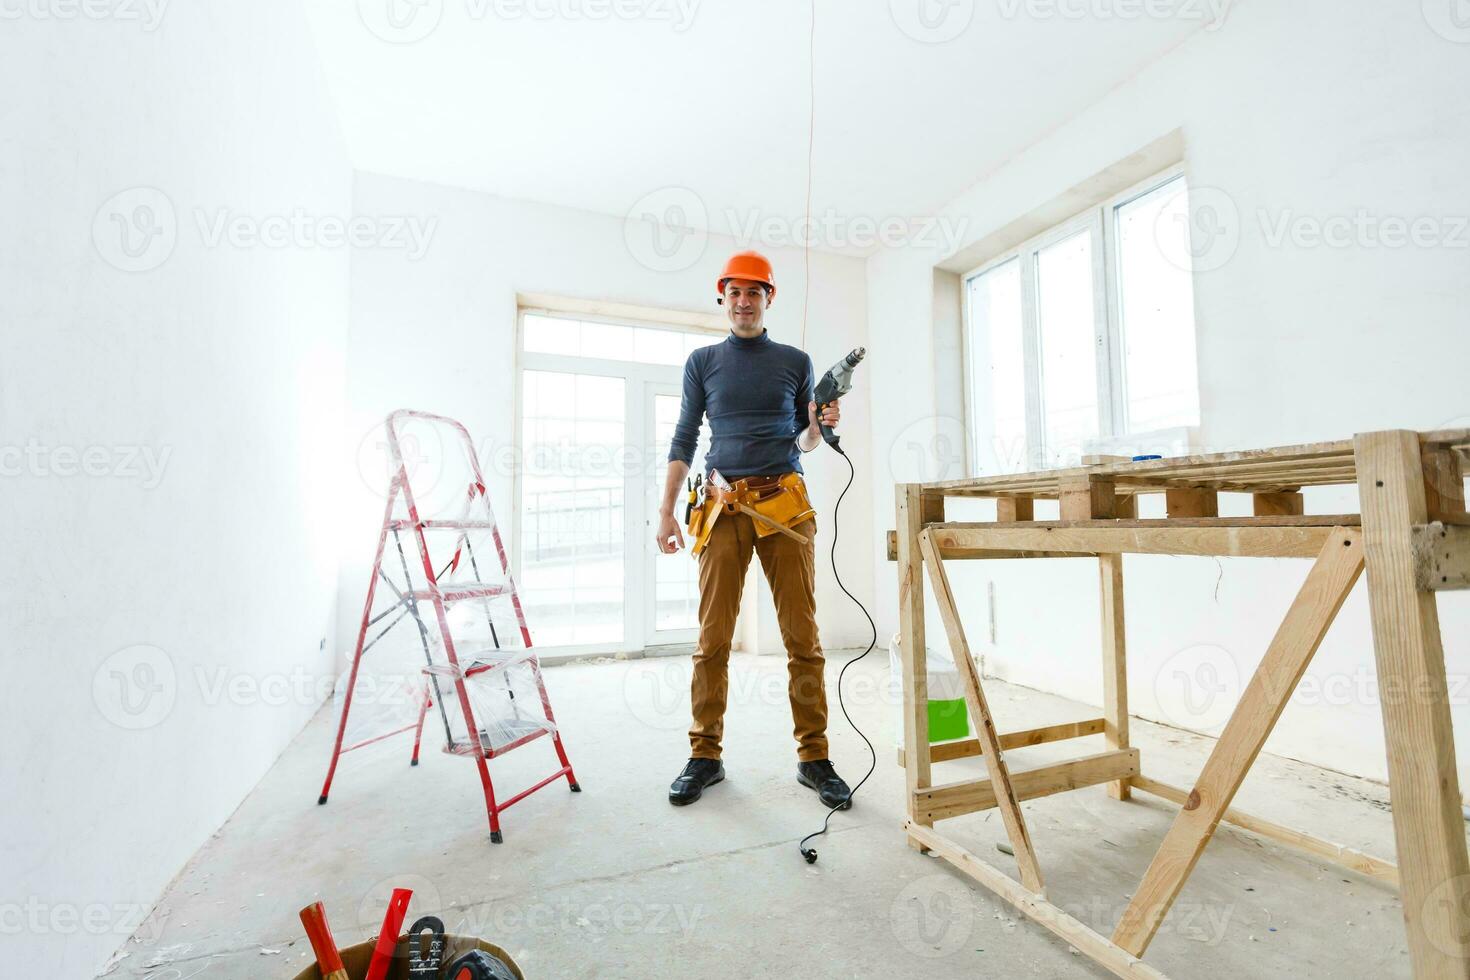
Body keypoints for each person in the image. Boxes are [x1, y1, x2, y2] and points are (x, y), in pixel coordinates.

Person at [655, 250, 852, 810]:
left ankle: (814, 758)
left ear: (770, 298)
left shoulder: (795, 361)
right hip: (723, 508)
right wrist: (666, 511)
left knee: (802, 640)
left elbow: (805, 441)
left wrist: (818, 424)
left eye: (755, 292)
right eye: (735, 292)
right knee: (712, 640)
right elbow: (683, 437)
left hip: (785, 505)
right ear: (724, 297)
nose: (744, 302)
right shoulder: (703, 361)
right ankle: (705, 756)